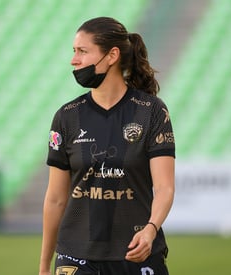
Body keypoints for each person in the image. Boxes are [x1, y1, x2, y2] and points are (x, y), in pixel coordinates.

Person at [38, 17, 175, 275]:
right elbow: (55, 199)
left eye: (82, 51)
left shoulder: (152, 112)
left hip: (137, 254)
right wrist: (44, 265)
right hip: (76, 257)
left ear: (112, 56)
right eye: (74, 51)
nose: (74, 60)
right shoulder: (66, 117)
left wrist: (150, 229)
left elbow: (165, 187)